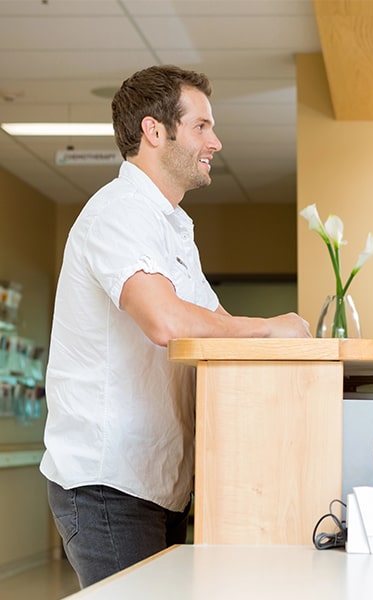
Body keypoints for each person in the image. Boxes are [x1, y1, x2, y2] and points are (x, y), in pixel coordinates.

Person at [40, 65, 311, 588]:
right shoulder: (118, 213)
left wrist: (323, 346)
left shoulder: (173, 228)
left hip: (157, 482)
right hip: (108, 486)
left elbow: (218, 324)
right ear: (155, 131)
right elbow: (165, 320)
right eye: (202, 126)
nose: (217, 141)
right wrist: (270, 328)